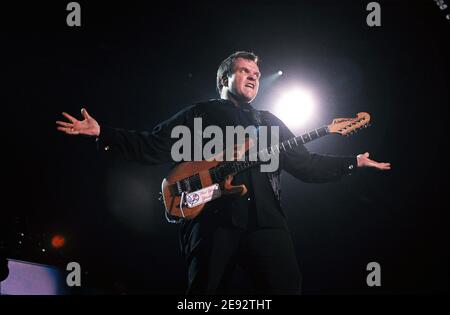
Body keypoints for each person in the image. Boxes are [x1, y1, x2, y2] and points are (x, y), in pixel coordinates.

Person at [56, 51, 390, 294]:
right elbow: (154, 144)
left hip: (266, 221)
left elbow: (305, 164)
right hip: (212, 220)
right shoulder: (201, 113)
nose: (253, 76)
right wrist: (103, 132)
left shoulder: (270, 121)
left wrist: (351, 162)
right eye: (244, 70)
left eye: (257, 74)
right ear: (224, 79)